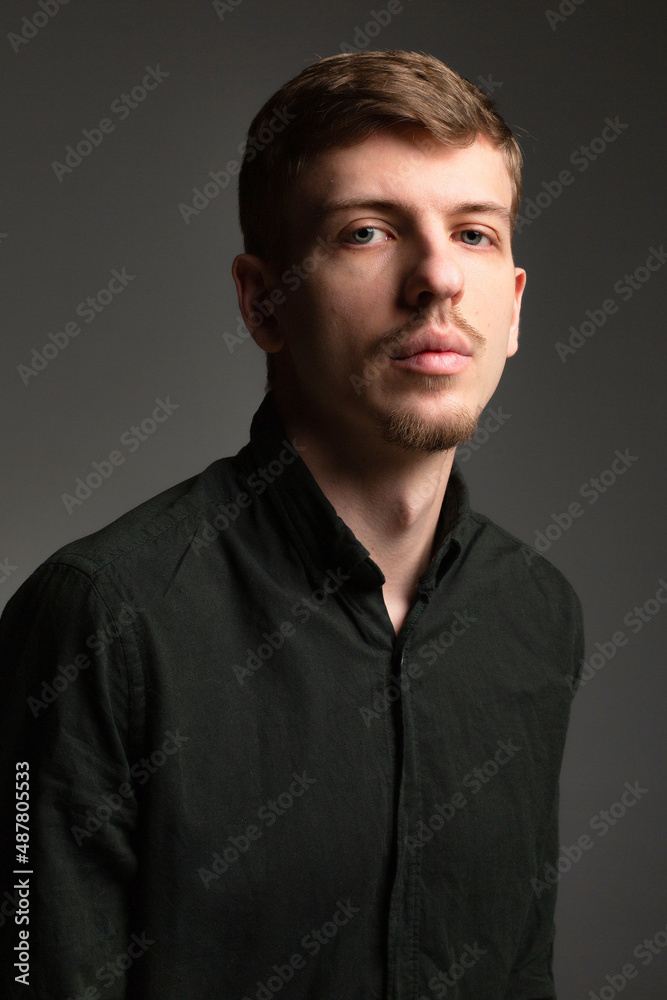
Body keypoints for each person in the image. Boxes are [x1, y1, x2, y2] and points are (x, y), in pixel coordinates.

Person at [0, 50, 584, 1000]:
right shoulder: (103, 619)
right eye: (366, 231)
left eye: (475, 233)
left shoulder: (539, 615)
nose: (437, 275)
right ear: (260, 301)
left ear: (512, 308)